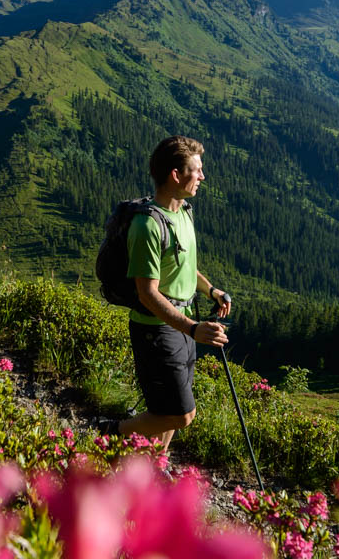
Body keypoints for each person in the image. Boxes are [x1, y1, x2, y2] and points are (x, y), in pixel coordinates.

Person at [99, 135, 232, 453]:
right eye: (196, 170)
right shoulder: (147, 226)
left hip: (181, 325)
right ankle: (112, 430)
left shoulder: (184, 212)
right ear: (176, 175)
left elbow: (184, 265)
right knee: (181, 414)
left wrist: (211, 290)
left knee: (173, 412)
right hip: (157, 329)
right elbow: (147, 293)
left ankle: (152, 466)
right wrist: (192, 328)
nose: (202, 177)